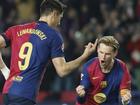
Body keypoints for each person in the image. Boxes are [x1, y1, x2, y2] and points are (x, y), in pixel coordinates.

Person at [0, 0, 97, 105]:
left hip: (7, 92)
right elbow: (62, 70)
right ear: (54, 14)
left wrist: (3, 68)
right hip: (25, 95)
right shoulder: (53, 36)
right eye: (60, 17)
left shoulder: (16, 29)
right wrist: (85, 55)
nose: (59, 22)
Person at [76, 36, 132, 105]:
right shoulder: (89, 66)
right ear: (97, 50)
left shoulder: (122, 67)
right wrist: (81, 93)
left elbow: (125, 92)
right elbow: (83, 93)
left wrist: (125, 99)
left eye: (107, 54)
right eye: (101, 52)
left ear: (115, 53)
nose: (103, 57)